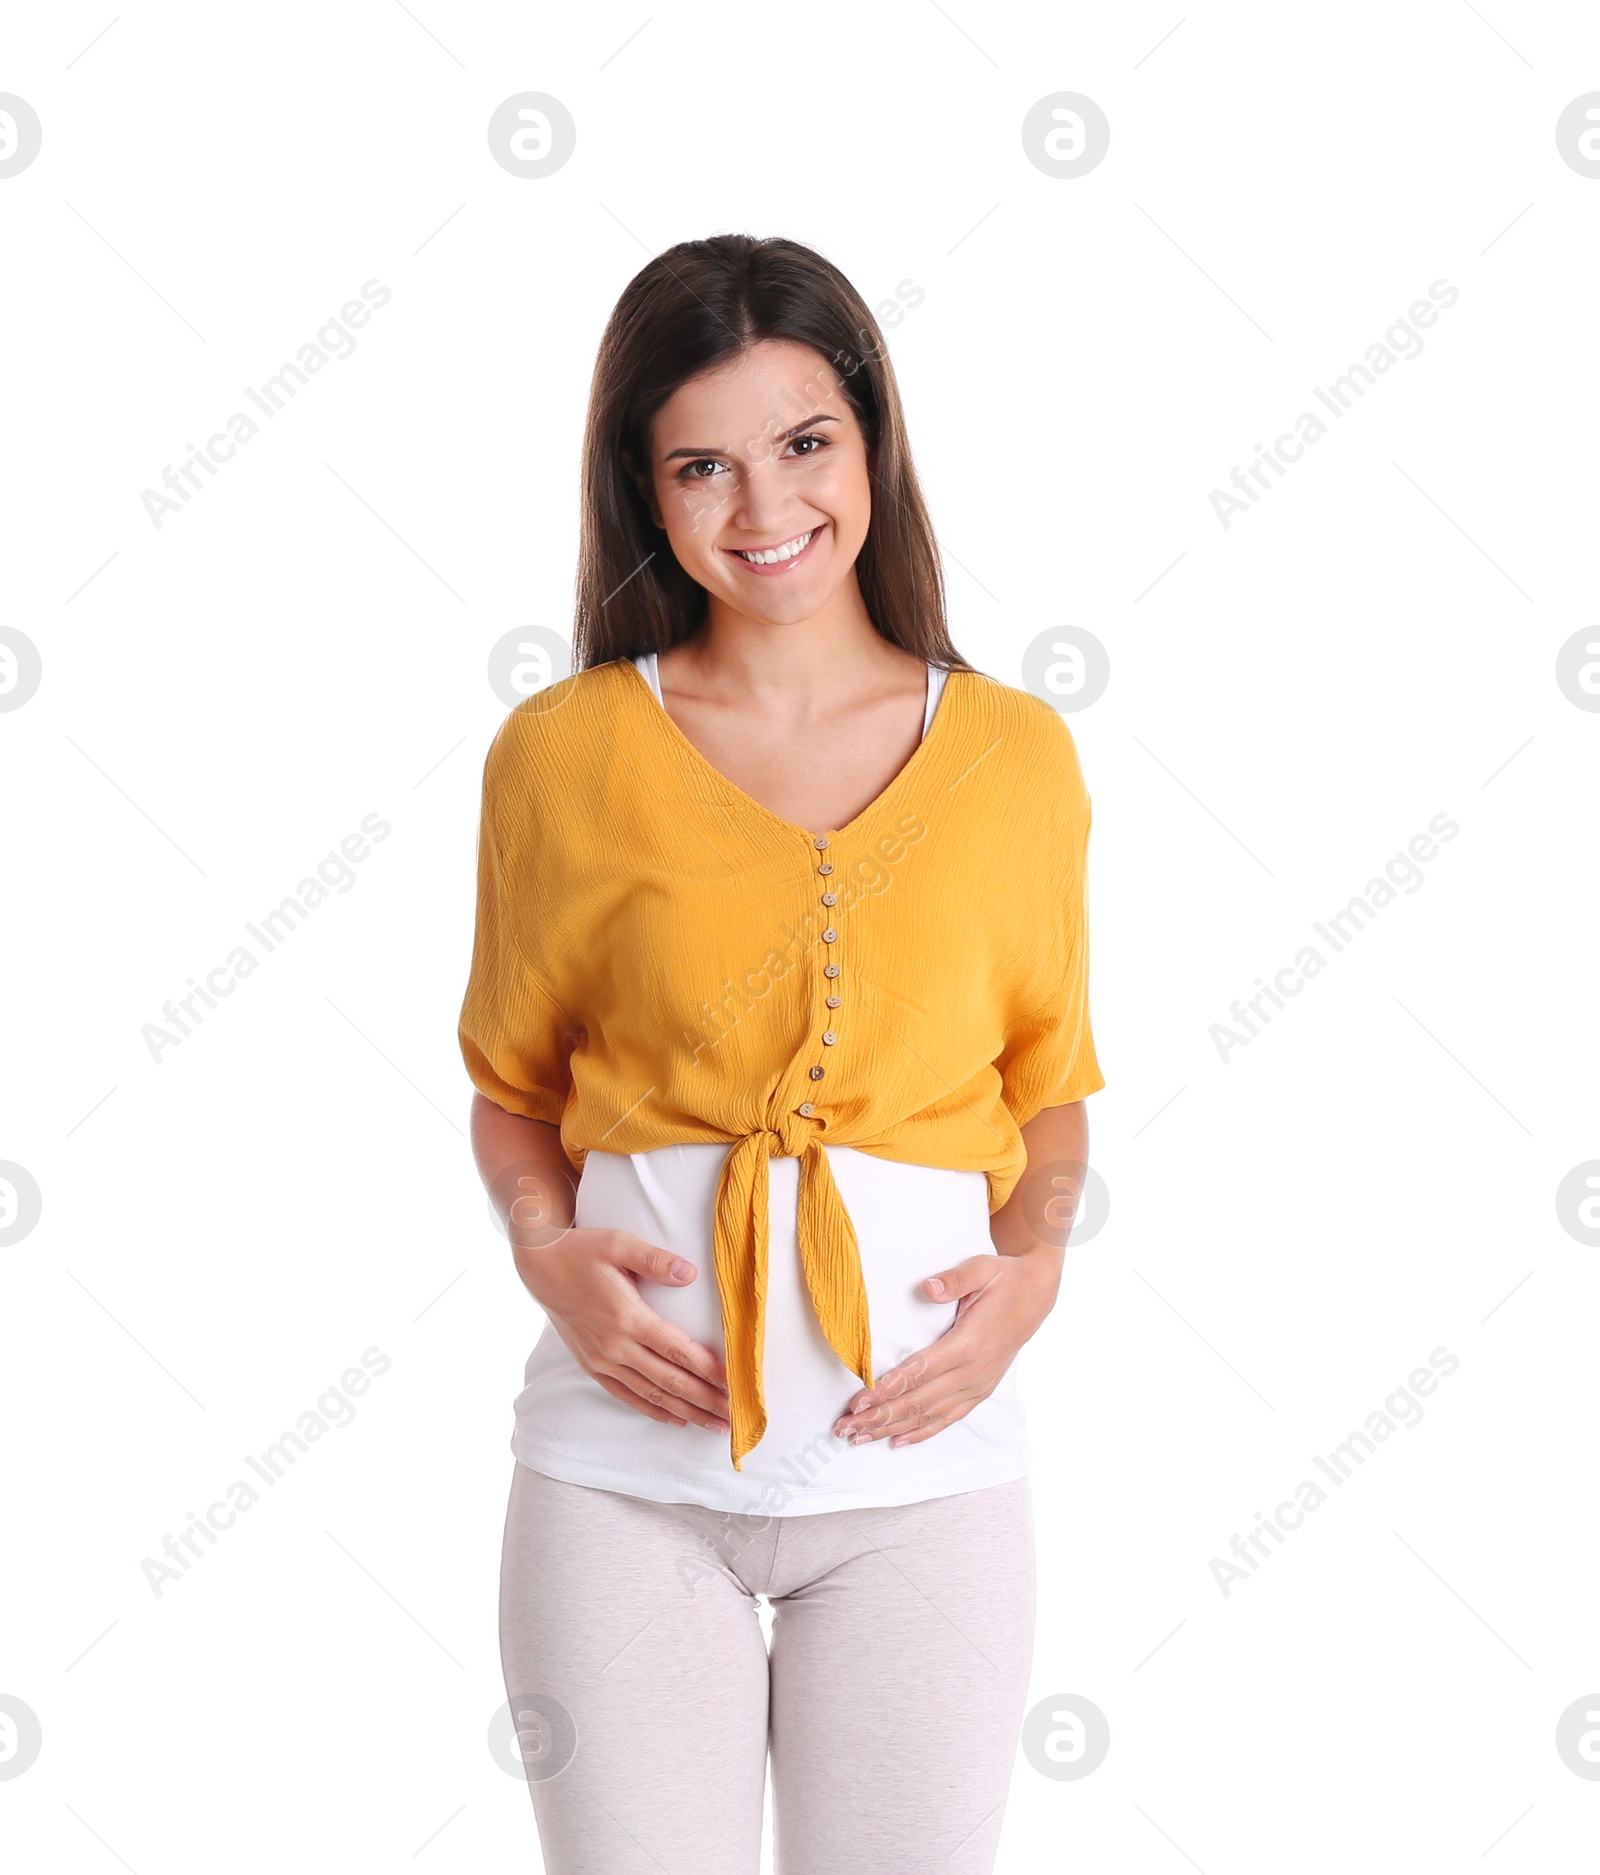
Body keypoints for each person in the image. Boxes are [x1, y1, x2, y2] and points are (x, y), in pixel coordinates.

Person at [458, 232, 1104, 1875]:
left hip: (924, 1490)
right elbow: (515, 1092)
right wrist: (550, 1261)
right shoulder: (562, 755)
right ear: (648, 491)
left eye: (805, 444)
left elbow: (1051, 1101)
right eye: (703, 466)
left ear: (872, 441)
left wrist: (1031, 1280)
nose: (765, 512)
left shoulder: (1017, 758)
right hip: (623, 1484)